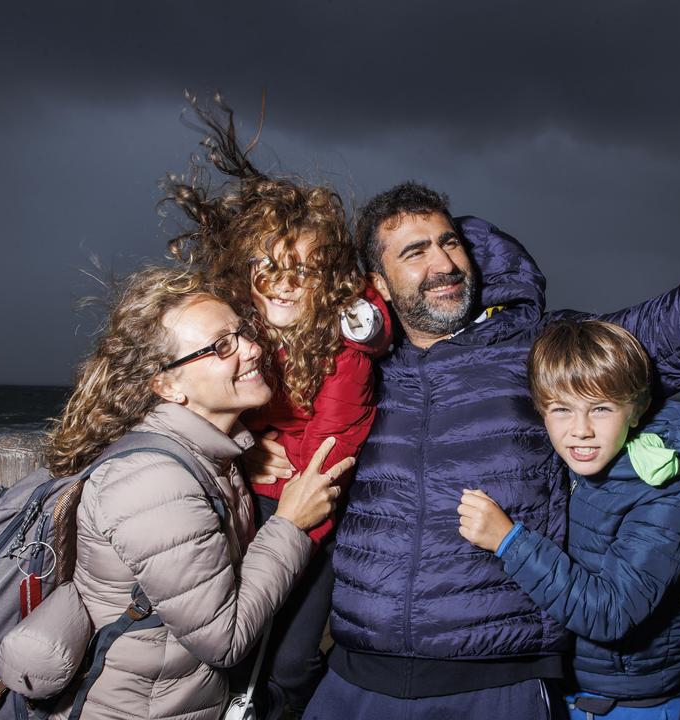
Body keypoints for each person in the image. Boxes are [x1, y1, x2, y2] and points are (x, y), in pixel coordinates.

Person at [295, 125, 680, 718]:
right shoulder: (351, 373)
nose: (442, 262)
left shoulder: (538, 348)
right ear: (378, 283)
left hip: (498, 683)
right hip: (356, 679)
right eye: (415, 251)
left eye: (448, 242)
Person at [29, 266, 354, 719]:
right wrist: (290, 525)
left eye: (242, 332)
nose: (253, 349)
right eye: (222, 346)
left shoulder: (210, 457)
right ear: (167, 386)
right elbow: (225, 638)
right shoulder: (153, 482)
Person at [160, 99, 391, 718]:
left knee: (288, 662)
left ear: (330, 279)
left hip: (315, 507)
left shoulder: (346, 346)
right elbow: (181, 405)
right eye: (268, 266)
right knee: (214, 649)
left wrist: (287, 518)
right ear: (244, 270)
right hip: (244, 494)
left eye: (304, 270)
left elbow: (328, 456)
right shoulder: (232, 329)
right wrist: (246, 452)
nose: (284, 284)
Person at [458, 320, 680, 719]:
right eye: (561, 410)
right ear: (541, 411)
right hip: (564, 691)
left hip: (627, 707)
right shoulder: (572, 469)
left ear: (637, 408)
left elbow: (611, 614)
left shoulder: (670, 498)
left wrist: (508, 541)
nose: (581, 431)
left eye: (601, 409)